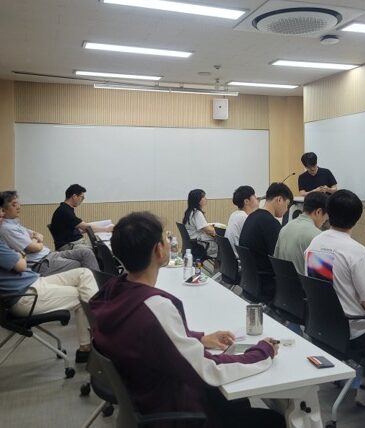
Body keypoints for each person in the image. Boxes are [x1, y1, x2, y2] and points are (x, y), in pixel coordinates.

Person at [89, 211, 284, 428]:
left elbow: (146, 337)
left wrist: (198, 339)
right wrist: (262, 352)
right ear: (159, 249)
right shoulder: (155, 307)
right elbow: (209, 369)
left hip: (146, 396)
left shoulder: (112, 289)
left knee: (237, 402)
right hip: (177, 411)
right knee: (274, 420)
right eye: (166, 238)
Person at [305, 189, 365, 415]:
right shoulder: (356, 251)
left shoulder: (315, 243)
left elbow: (326, 288)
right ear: (357, 218)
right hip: (353, 332)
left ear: (327, 213)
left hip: (324, 327)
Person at [0, 193, 98, 363]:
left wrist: (21, 254)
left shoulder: (6, 232)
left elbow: (23, 255)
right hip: (25, 296)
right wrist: (22, 254)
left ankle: (101, 328)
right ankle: (90, 346)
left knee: (84, 273)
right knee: (83, 295)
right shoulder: (3, 236)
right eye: (0, 211)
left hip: (34, 281)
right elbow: (21, 263)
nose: (2, 215)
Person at [0, 191, 99, 275]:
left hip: (49, 254)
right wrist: (37, 241)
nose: (18, 206)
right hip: (41, 263)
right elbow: (34, 247)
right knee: (80, 264)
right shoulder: (7, 229)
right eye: (14, 204)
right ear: (3, 210)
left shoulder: (14, 224)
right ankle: (99, 289)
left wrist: (35, 240)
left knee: (86, 253)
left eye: (17, 203)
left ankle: (100, 286)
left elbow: (39, 235)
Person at [238, 183, 293, 296]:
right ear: (279, 200)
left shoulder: (251, 217)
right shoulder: (271, 223)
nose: (286, 209)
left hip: (250, 281)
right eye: (287, 205)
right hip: (267, 284)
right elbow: (281, 260)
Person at [274, 191, 328, 274]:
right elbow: (322, 276)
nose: (324, 221)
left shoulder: (285, 228)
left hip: (283, 281)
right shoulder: (317, 236)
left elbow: (276, 260)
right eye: (326, 217)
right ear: (318, 212)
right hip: (303, 282)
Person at [50, 184, 113, 251]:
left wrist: (89, 228)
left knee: (100, 243)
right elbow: (86, 227)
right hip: (68, 246)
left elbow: (76, 229)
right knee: (102, 247)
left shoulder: (65, 208)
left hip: (72, 242)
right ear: (74, 196)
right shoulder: (65, 211)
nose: (82, 200)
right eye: (82, 197)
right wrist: (106, 229)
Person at [182, 189, 218, 257]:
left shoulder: (189, 212)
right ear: (197, 200)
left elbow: (203, 227)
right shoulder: (197, 213)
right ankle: (219, 264)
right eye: (203, 197)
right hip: (198, 246)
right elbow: (209, 230)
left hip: (192, 244)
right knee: (223, 246)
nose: (206, 198)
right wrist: (216, 230)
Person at [225, 185, 259, 255]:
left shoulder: (235, 214)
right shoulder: (244, 218)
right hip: (240, 258)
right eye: (254, 196)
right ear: (246, 201)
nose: (257, 198)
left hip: (231, 257)